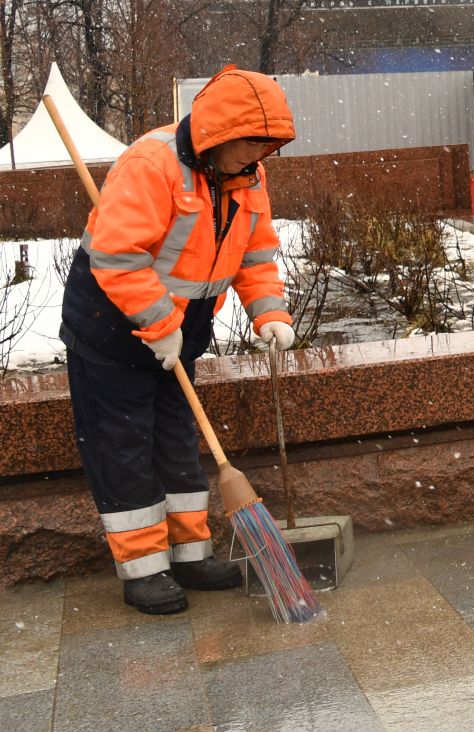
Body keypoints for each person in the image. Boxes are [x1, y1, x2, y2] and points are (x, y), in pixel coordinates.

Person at [62, 66, 298, 614]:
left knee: (175, 438)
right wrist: (158, 327)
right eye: (250, 145)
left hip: (181, 329)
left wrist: (269, 313)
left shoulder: (247, 176)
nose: (258, 158)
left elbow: (254, 253)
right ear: (218, 134)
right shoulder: (152, 164)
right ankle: (144, 570)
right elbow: (118, 257)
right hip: (111, 323)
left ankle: (190, 553)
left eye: (268, 147)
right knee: (122, 443)